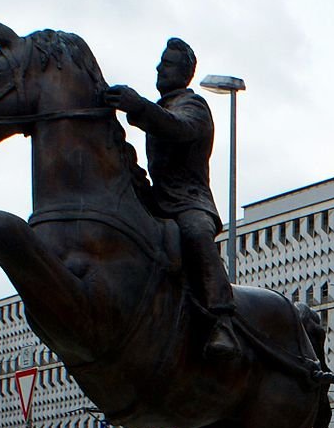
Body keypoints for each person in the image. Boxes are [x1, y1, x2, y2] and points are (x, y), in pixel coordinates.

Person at [102, 38, 240, 363]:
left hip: (189, 203)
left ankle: (223, 319)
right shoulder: (161, 109)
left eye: (166, 63)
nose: (158, 68)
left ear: (185, 72)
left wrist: (136, 106)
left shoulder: (193, 107)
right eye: (160, 62)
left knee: (194, 233)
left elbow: (177, 129)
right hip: (156, 201)